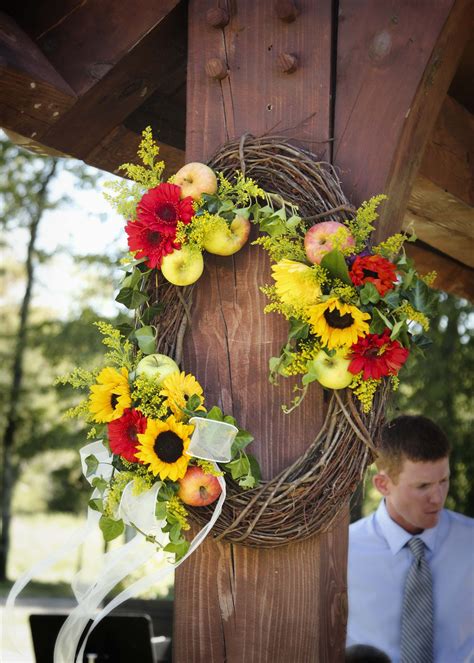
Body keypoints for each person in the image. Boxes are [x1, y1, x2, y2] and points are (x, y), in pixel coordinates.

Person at [346, 415, 474, 663]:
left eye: (444, 481)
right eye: (423, 486)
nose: (437, 498)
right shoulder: (344, 554)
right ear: (383, 484)